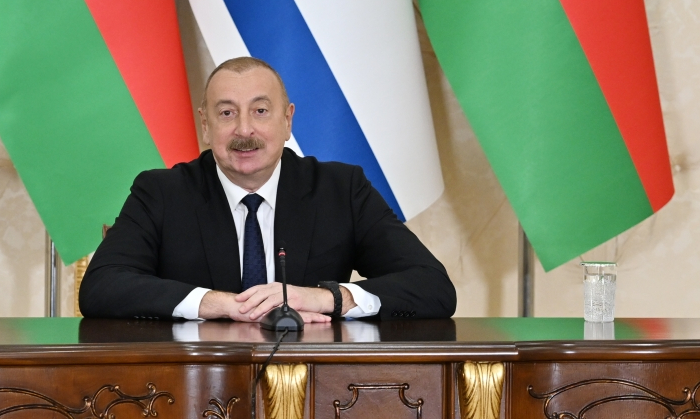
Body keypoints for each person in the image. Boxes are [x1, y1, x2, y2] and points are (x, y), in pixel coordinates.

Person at [79, 57, 456, 322]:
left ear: (287, 120)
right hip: (194, 386)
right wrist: (219, 304)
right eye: (227, 113)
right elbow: (101, 287)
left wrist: (323, 297)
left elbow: (432, 286)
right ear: (206, 125)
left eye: (260, 111)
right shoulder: (161, 192)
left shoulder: (340, 190)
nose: (244, 130)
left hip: (315, 384)